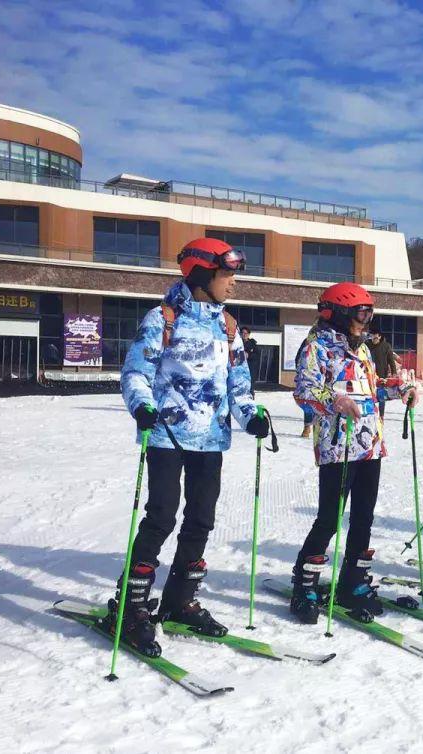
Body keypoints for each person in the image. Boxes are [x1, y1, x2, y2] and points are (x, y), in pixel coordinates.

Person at [112, 237, 270, 657]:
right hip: (166, 433)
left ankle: (179, 600)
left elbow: (240, 385)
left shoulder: (228, 327)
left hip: (210, 439)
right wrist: (142, 406)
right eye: (226, 275)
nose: (233, 283)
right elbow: (135, 373)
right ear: (202, 274)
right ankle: (129, 606)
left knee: (201, 519)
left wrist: (251, 414)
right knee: (161, 516)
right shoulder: (162, 318)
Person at [291, 283, 417, 623]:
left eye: (370, 313)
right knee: (329, 519)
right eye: (361, 313)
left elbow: (370, 388)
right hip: (337, 447)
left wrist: (399, 389)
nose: (367, 320)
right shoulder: (316, 346)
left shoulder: (360, 348)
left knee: (364, 517)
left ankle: (354, 581)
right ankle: (304, 584)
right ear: (341, 313)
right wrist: (335, 401)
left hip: (370, 445)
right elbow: (303, 390)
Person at [367, 326, 397, 418]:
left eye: (375, 336)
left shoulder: (386, 346)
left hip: (381, 375)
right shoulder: (367, 345)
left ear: (379, 337)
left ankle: (381, 416)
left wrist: (394, 372)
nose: (374, 338)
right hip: (369, 375)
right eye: (372, 336)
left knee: (381, 396)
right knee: (369, 395)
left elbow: (391, 360)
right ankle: (371, 414)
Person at [293, 339, 316, 439]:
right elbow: (298, 358)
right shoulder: (307, 341)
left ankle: (318, 428)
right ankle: (307, 427)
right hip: (307, 377)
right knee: (307, 403)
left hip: (322, 378)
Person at [240, 326, 260, 396]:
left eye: (246, 333)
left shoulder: (253, 344)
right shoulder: (238, 343)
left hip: (250, 370)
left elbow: (257, 356)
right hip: (240, 370)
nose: (244, 334)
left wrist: (249, 355)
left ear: (249, 334)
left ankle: (250, 404)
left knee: (249, 389)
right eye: (242, 333)